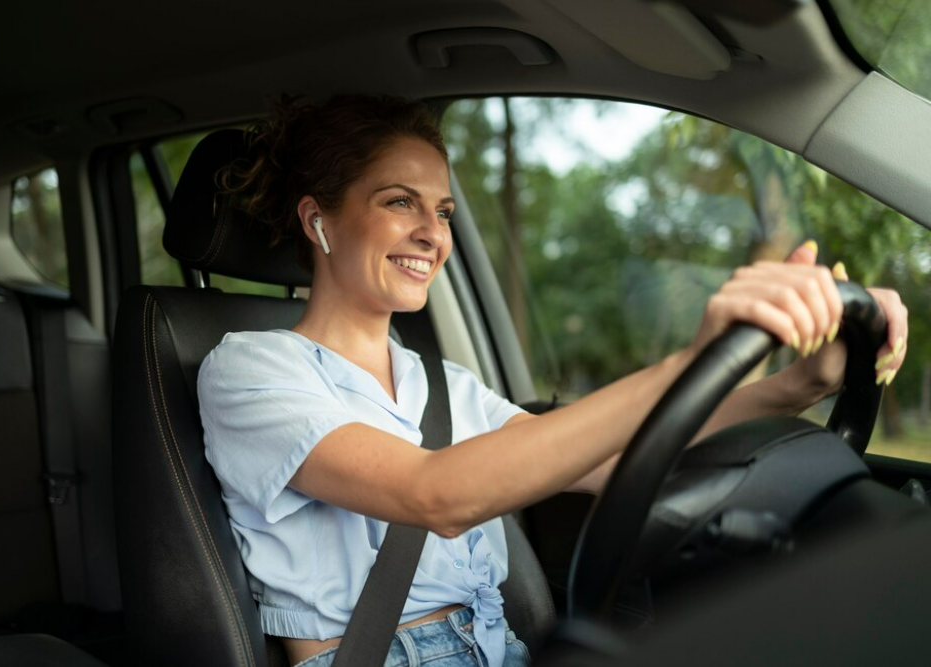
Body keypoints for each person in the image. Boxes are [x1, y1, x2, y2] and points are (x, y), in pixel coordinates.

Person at [197, 95, 909, 667]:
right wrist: (687, 360)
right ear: (318, 220)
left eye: (442, 211)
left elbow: (597, 459)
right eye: (399, 201)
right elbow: (434, 492)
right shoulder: (250, 368)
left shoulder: (440, 381)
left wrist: (792, 387)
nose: (433, 234)